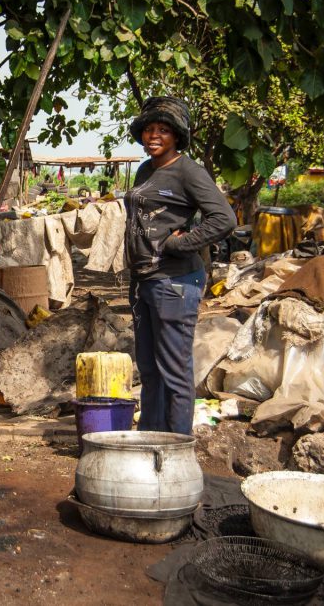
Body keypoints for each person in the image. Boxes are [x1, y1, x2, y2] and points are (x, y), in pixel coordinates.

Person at [124, 97, 237, 434]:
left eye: (162, 130)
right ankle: (150, 440)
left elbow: (224, 218)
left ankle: (177, 446)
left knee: (173, 369)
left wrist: (180, 243)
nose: (153, 136)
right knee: (149, 367)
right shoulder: (147, 169)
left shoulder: (188, 171)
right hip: (145, 279)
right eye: (148, 129)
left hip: (175, 282)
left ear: (176, 136)